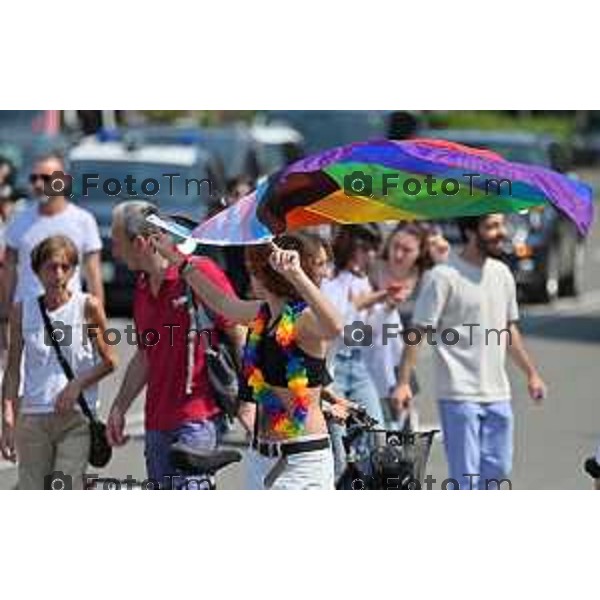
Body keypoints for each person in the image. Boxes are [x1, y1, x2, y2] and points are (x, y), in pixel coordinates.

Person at [152, 230, 343, 490]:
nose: (249, 274)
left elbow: (334, 327)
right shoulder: (261, 314)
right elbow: (221, 302)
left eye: (254, 268)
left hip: (300, 458)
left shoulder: (303, 320)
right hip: (261, 454)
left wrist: (297, 275)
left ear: (270, 273)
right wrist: (177, 258)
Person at [395, 214, 547, 490]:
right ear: (470, 231)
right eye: (491, 226)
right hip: (458, 393)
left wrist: (531, 374)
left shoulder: (502, 274)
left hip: (497, 392)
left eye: (501, 225)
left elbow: (508, 330)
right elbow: (418, 331)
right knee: (466, 478)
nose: (500, 232)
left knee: (499, 469)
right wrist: (403, 382)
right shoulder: (443, 276)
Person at [106, 201, 246, 489]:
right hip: (156, 423)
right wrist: (120, 406)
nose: (114, 252)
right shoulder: (143, 287)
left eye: (118, 243)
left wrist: (248, 402)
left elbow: (239, 333)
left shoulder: (198, 272)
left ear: (142, 242)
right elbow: (145, 355)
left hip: (198, 419)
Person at [0, 236, 116, 489]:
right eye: (51, 267)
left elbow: (110, 361)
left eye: (66, 267)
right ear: (37, 272)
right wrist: (7, 420)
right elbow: (12, 371)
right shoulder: (22, 311)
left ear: (74, 270)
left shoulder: (88, 306)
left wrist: (76, 386)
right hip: (33, 419)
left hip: (75, 419)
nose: (59, 274)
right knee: (32, 489)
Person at [0, 153, 105, 356]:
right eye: (34, 178)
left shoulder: (83, 221)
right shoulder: (19, 220)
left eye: (46, 178)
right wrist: (4, 316)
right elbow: (9, 272)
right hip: (26, 319)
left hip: (68, 318)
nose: (39, 184)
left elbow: (93, 275)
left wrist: (97, 323)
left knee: (66, 382)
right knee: (21, 382)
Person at [365, 223, 449, 430]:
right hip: (368, 355)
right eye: (395, 246)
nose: (399, 254)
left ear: (420, 253)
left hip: (404, 358)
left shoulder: (426, 278)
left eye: (407, 250)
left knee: (397, 417)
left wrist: (442, 258)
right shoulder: (372, 269)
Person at [320, 224, 388, 478]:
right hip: (333, 365)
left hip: (359, 363)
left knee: (376, 435)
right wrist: (360, 305)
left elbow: (368, 333)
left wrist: (386, 307)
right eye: (364, 248)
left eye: (373, 249)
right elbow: (335, 327)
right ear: (349, 245)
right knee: (336, 448)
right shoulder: (329, 280)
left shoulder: (365, 281)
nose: (369, 255)